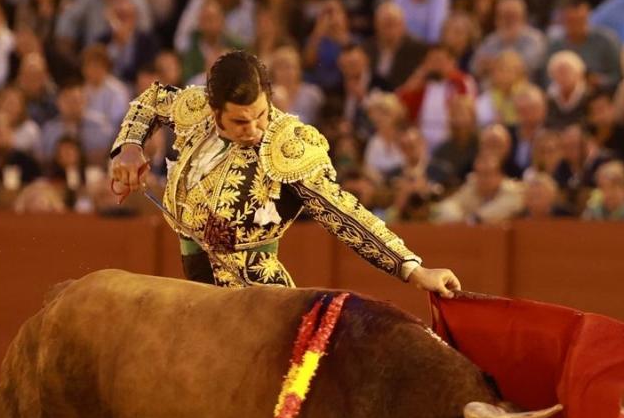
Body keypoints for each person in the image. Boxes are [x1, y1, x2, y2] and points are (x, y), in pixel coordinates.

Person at [107, 51, 460, 297]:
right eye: (240, 122)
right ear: (215, 111)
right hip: (197, 285)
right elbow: (150, 102)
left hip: (257, 293)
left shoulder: (288, 145)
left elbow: (343, 213)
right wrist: (130, 148)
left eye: (261, 115)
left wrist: (412, 269)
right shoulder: (197, 108)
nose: (255, 128)